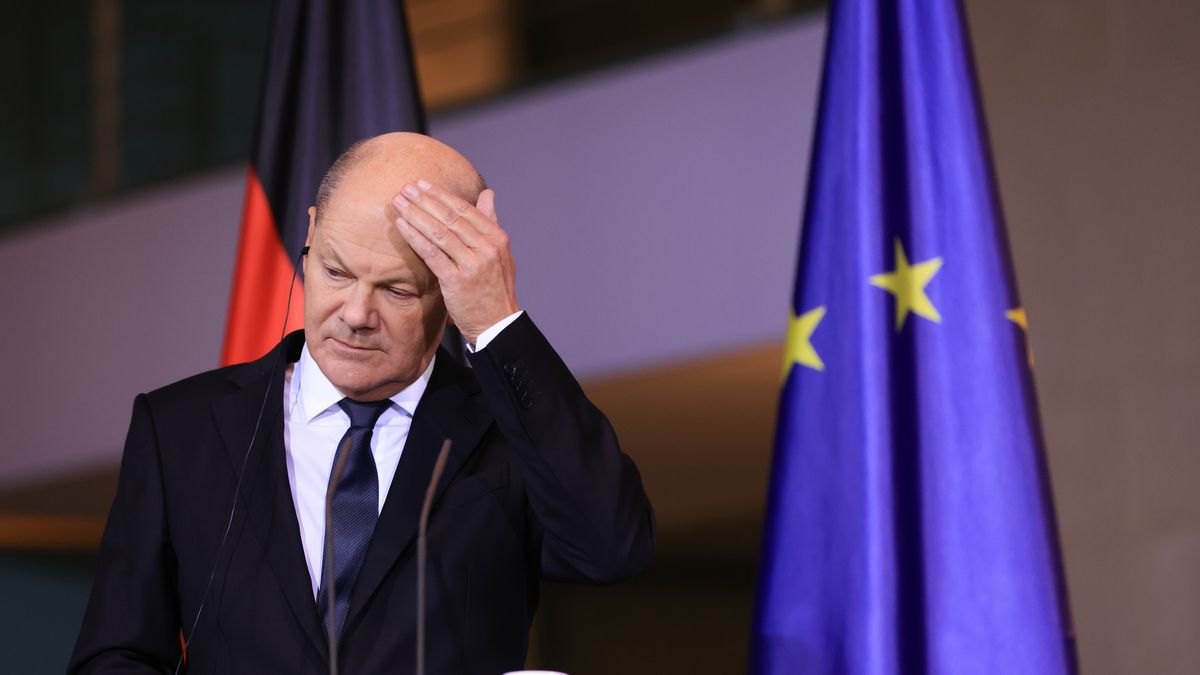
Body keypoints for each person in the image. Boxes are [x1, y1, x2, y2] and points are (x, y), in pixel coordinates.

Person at [69, 132, 655, 674]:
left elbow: (610, 550)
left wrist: (499, 321)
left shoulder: (508, 434)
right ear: (312, 229)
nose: (354, 314)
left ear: (452, 293)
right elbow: (114, 655)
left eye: (397, 290)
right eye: (335, 271)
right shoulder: (180, 429)